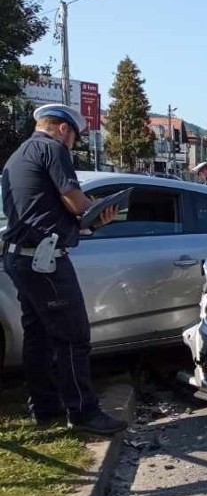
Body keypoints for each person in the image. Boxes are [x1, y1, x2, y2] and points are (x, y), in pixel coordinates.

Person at [1, 103, 126, 436]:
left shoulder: (19, 154)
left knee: (38, 336)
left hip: (20, 258)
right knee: (73, 337)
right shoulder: (52, 149)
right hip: (45, 261)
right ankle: (83, 412)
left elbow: (48, 211)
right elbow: (73, 200)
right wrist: (99, 211)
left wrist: (91, 222)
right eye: (74, 137)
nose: (72, 144)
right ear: (63, 129)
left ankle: (44, 406)